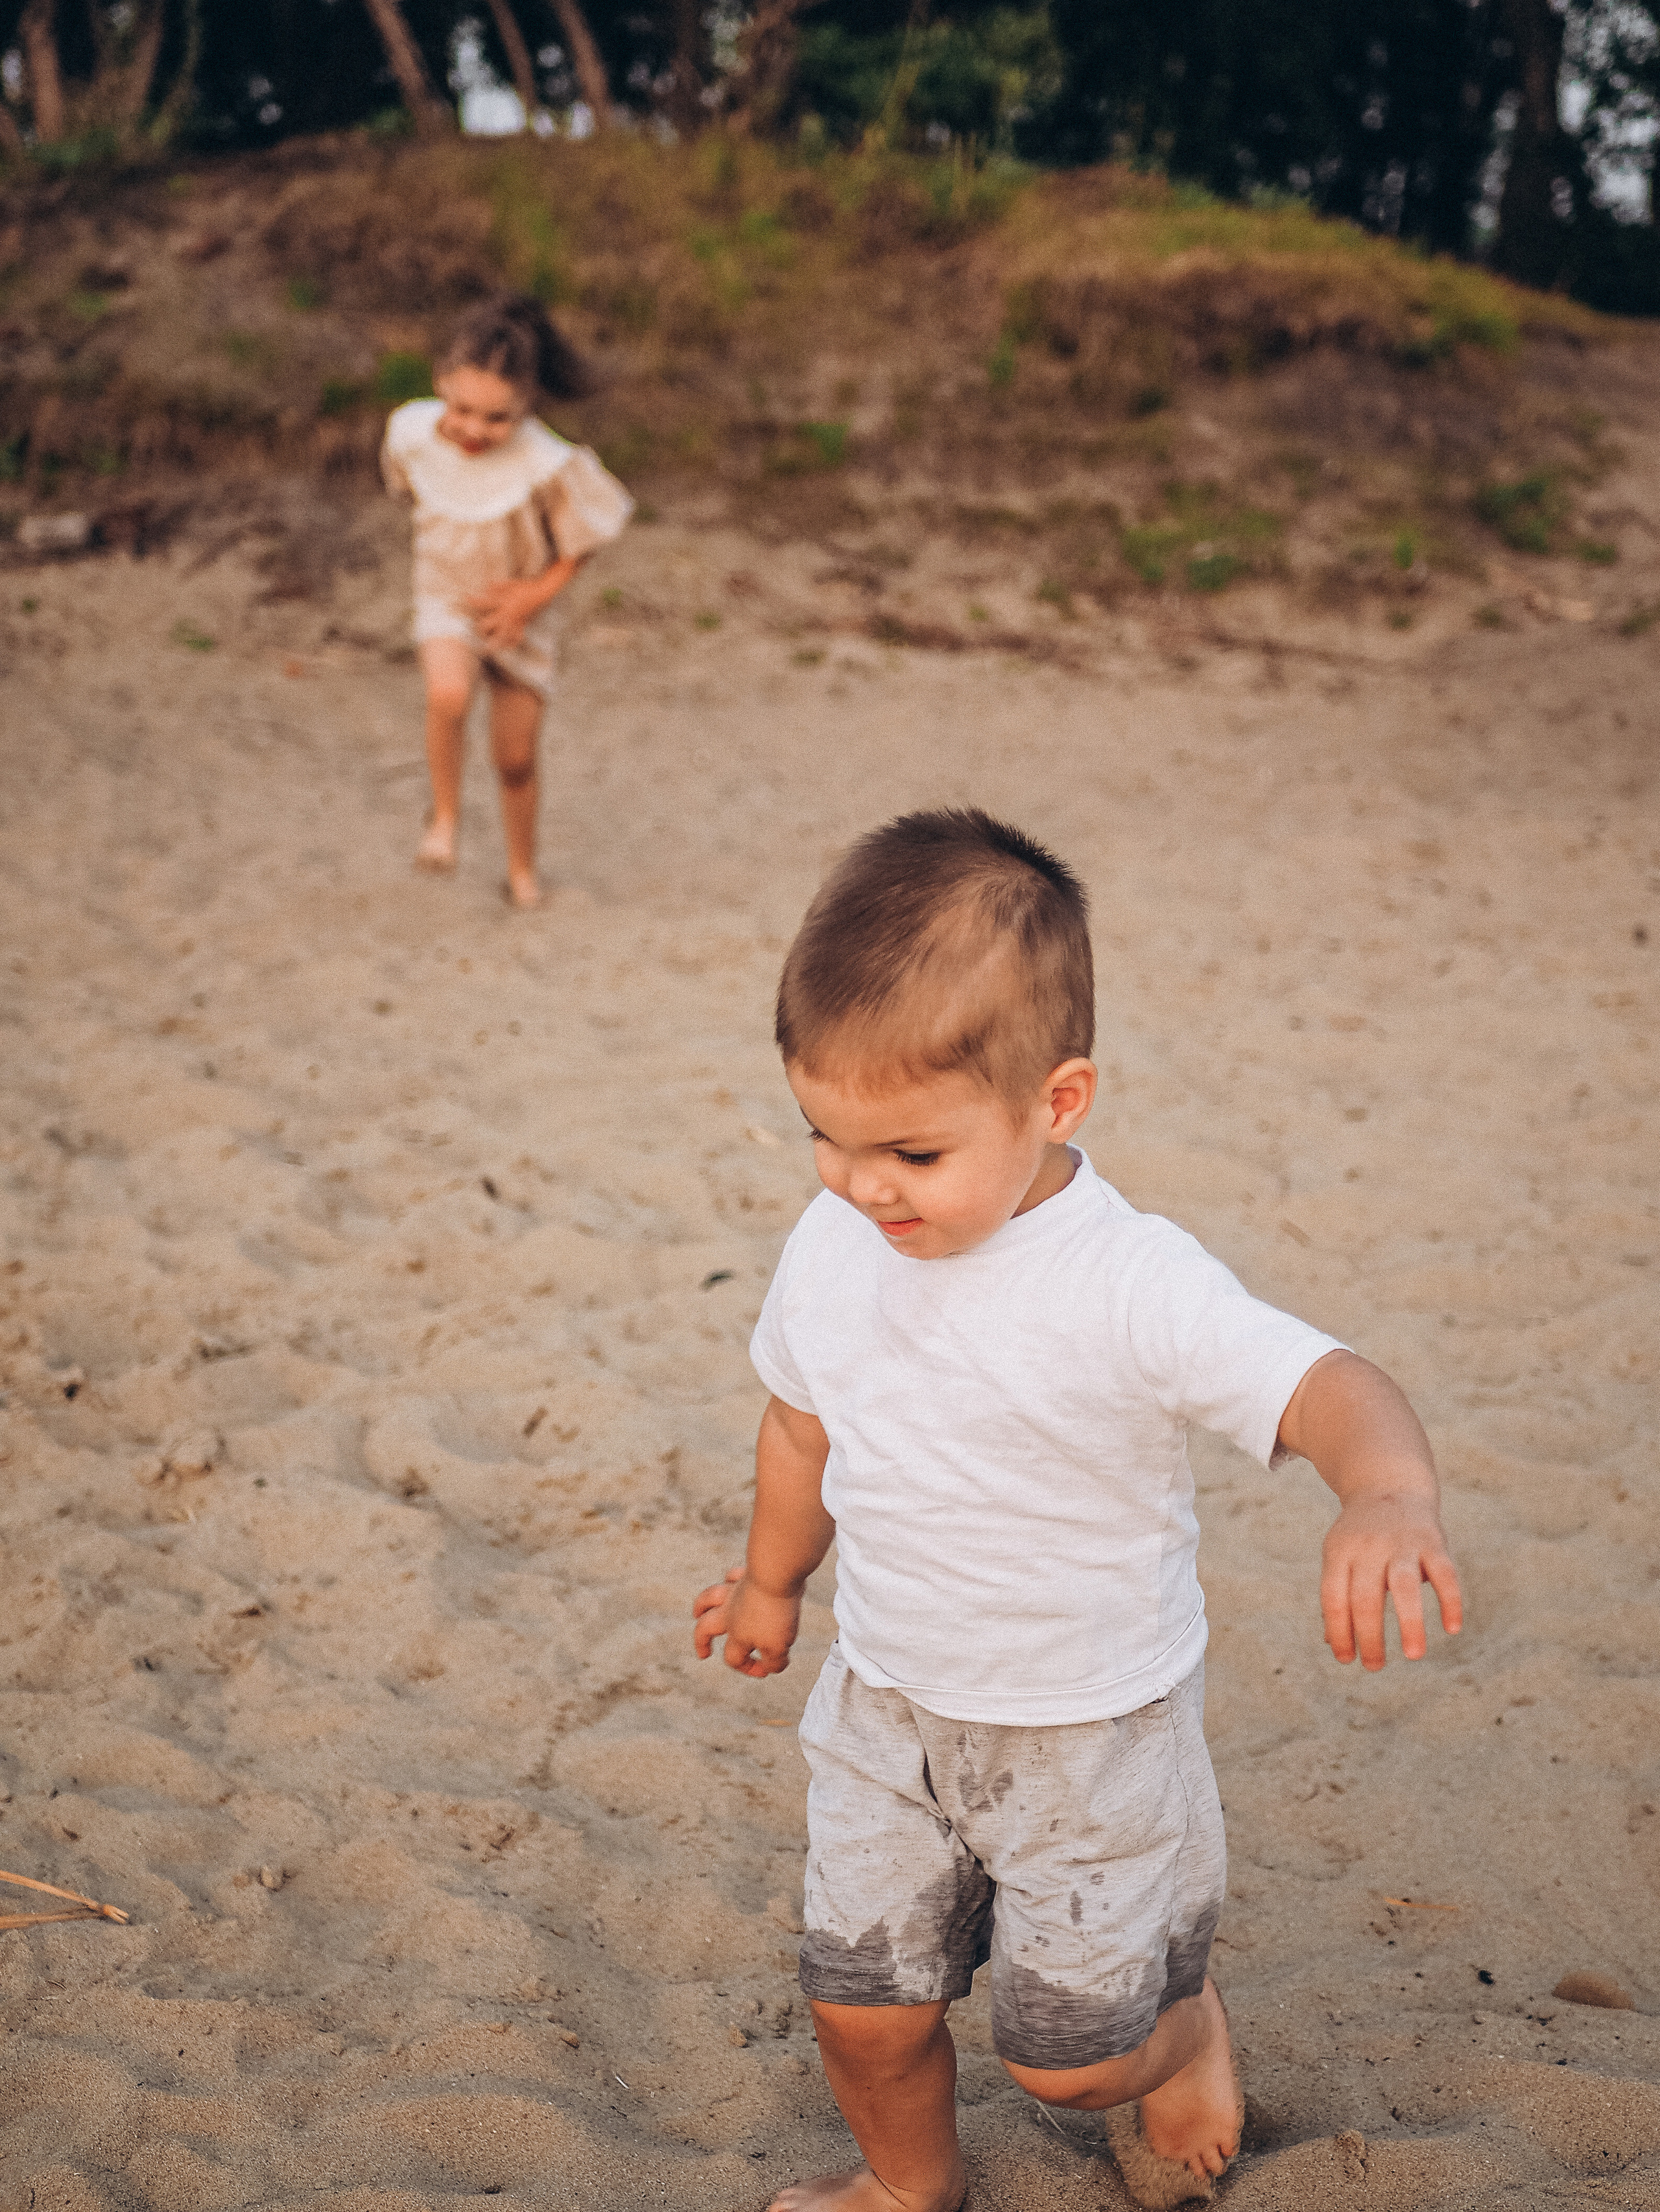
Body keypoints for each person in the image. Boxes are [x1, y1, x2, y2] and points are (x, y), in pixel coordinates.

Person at [693, 808, 1464, 2212]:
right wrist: (768, 1583)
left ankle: (1183, 2023)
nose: (861, 1184)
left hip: (1089, 1730)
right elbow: (801, 1419)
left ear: (1057, 1102)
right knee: (860, 2007)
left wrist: (1388, 1493)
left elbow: (1325, 1381)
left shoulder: (1129, 1283)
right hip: (884, 1707)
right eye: (824, 1133)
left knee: (1072, 2062)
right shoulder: (835, 1240)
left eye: (910, 1153)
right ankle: (908, 2185)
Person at [381, 294, 633, 909]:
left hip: (524, 615)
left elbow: (586, 540)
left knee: (516, 757)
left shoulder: (549, 463)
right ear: (441, 383)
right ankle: (443, 819)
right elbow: (408, 491)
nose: (474, 430)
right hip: (446, 594)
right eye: (463, 409)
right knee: (449, 693)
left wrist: (531, 596)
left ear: (527, 407)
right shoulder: (411, 431)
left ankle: (522, 871)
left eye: (497, 420)